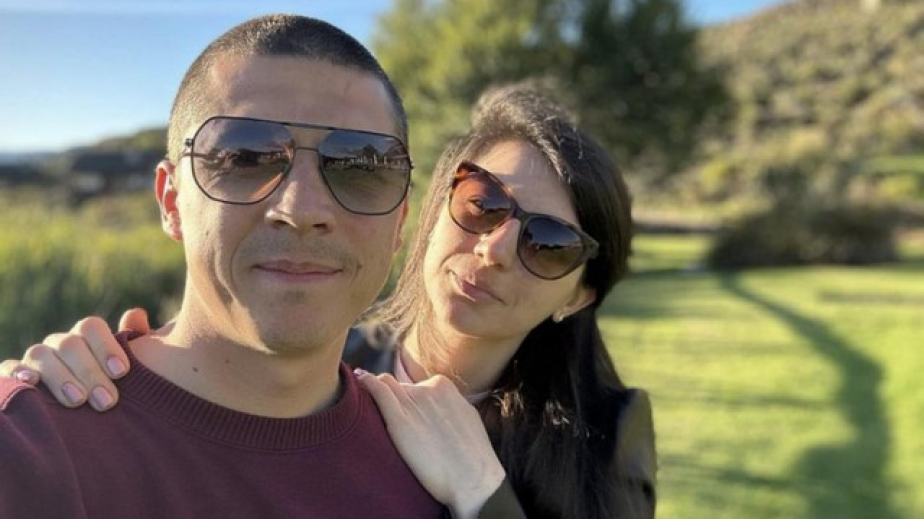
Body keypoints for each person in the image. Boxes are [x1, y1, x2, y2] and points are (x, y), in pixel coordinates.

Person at [4, 87, 657, 518]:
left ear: (579, 294)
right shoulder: (315, 362)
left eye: (548, 243)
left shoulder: (606, 433)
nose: (494, 249)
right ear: (429, 209)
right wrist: (75, 374)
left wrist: (482, 492)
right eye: (483, 203)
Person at [0, 14, 454, 519]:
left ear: (399, 223)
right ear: (171, 201)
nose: (302, 210)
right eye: (246, 156)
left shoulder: (434, 463)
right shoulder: (30, 453)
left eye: (361, 167)